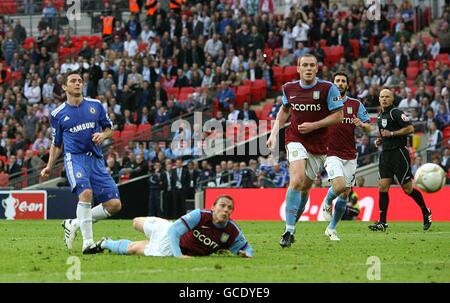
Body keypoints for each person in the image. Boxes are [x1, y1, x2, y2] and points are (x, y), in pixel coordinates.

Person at [266, 54, 344, 248]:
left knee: (306, 188)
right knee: (297, 179)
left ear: (317, 69)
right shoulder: (289, 88)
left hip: (319, 145)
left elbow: (338, 116)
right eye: (304, 65)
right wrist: (274, 133)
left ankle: (293, 227)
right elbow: (284, 110)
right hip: (295, 139)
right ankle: (288, 231)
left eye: (312, 65)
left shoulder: (328, 88)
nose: (308, 68)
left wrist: (314, 125)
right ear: (298, 69)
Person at [40, 71, 122, 254]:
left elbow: (109, 129)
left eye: (79, 81)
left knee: (114, 205)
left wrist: (103, 134)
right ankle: (88, 243)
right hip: (75, 158)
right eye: (73, 81)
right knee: (86, 193)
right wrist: (49, 166)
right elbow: (57, 143)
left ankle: (74, 223)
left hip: (96, 160)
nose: (78, 83)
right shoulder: (57, 114)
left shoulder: (96, 105)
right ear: (64, 86)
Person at [95, 195, 253, 258]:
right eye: (222, 206)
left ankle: (104, 243)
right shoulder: (200, 215)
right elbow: (173, 231)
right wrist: (179, 257)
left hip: (167, 249)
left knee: (132, 249)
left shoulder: (231, 231)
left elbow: (247, 248)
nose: (225, 210)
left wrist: (247, 255)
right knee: (136, 221)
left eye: (229, 208)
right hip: (168, 231)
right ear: (213, 207)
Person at [369, 89, 432, 232]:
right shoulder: (380, 116)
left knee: (407, 189)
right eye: (382, 97)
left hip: (399, 154)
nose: (384, 99)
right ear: (379, 99)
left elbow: (410, 128)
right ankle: (382, 222)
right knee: (382, 187)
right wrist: (381, 140)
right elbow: (385, 134)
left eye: (387, 97)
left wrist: (391, 134)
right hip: (385, 155)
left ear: (392, 99)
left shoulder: (396, 113)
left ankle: (425, 211)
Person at [319, 72, 372, 241]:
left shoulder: (355, 104)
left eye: (343, 81)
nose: (340, 83)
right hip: (330, 152)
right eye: (337, 81)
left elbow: (369, 128)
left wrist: (361, 125)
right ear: (333, 84)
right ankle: (326, 203)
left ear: (347, 85)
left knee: (345, 193)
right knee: (340, 186)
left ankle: (331, 229)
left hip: (350, 154)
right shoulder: (325, 103)